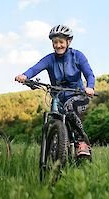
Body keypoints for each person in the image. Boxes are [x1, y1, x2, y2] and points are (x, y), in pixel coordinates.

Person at [15, 24, 95, 157]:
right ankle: (57, 144)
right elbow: (35, 68)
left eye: (61, 42)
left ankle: (81, 143)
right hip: (58, 96)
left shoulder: (77, 56)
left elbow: (89, 74)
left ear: (68, 42)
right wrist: (25, 76)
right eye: (55, 42)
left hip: (79, 96)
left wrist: (90, 87)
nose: (58, 45)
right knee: (53, 113)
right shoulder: (50, 59)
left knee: (70, 107)